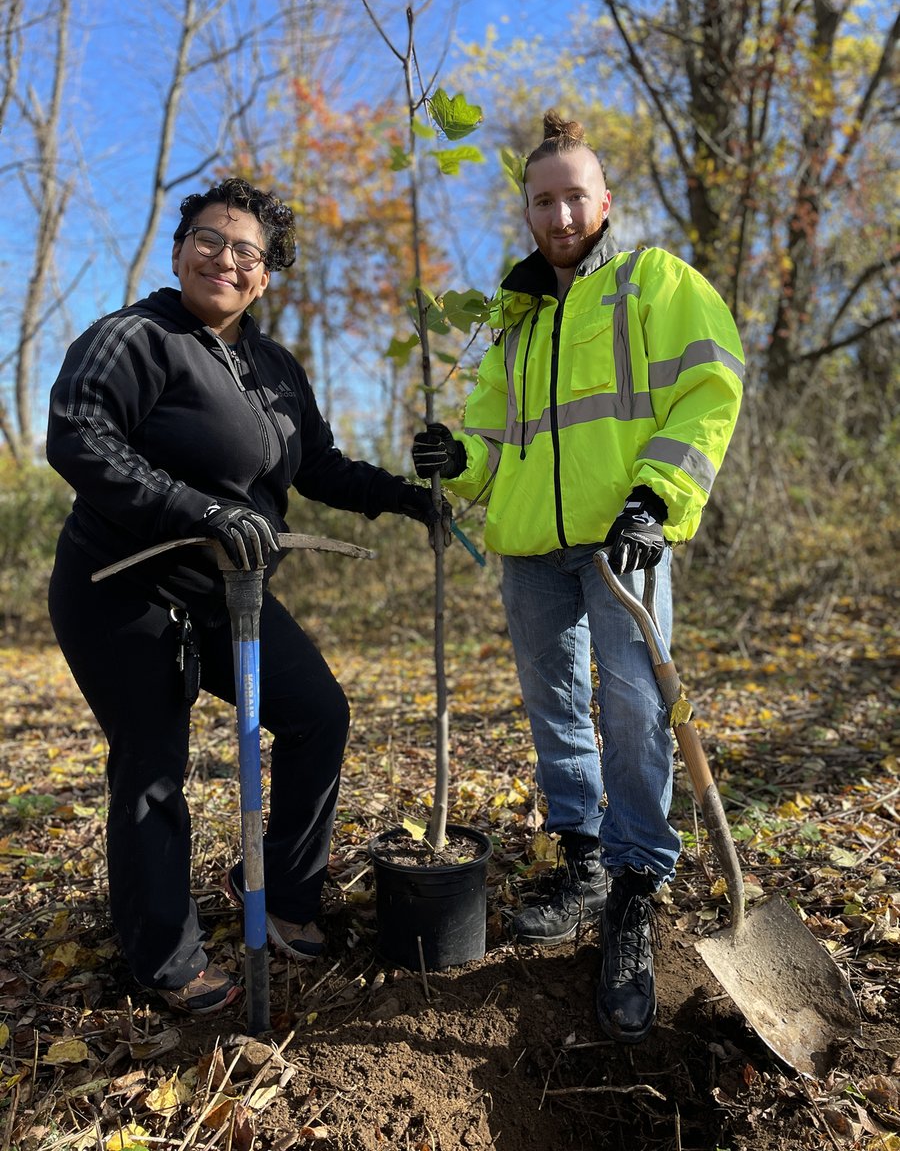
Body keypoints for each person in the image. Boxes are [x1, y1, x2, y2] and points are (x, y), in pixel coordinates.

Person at [47, 177, 448, 1015]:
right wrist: (196, 509)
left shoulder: (273, 366)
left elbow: (320, 466)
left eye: (246, 252)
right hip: (125, 586)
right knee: (153, 767)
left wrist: (407, 496)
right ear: (179, 247)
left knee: (318, 715)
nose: (224, 259)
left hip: (232, 593)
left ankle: (284, 889)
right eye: (208, 238)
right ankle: (166, 956)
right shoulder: (135, 337)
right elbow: (78, 434)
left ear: (265, 277)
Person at [412, 112, 743, 1043]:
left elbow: (710, 387)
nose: (559, 214)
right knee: (555, 702)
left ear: (605, 202)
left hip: (622, 537)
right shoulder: (512, 321)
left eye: (574, 197)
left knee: (635, 701)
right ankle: (585, 858)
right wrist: (457, 456)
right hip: (530, 548)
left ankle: (639, 880)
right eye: (542, 200)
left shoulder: (654, 283)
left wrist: (659, 494)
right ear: (525, 211)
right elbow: (495, 441)